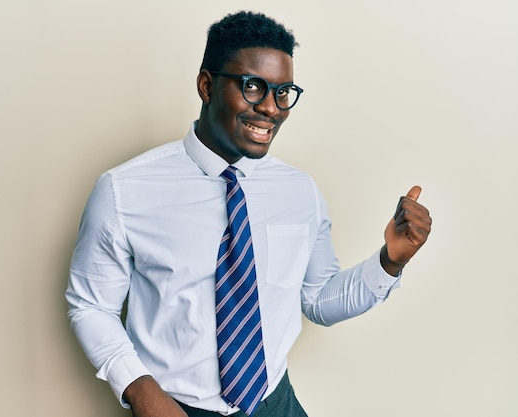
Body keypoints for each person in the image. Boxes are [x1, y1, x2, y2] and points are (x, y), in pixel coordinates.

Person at [66, 10, 432, 417]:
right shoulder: (124, 190)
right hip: (173, 408)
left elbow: (317, 301)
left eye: (283, 92)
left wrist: (389, 262)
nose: (272, 109)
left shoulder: (300, 192)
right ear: (207, 85)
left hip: (275, 404)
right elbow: (90, 305)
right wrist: (138, 388)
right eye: (253, 86)